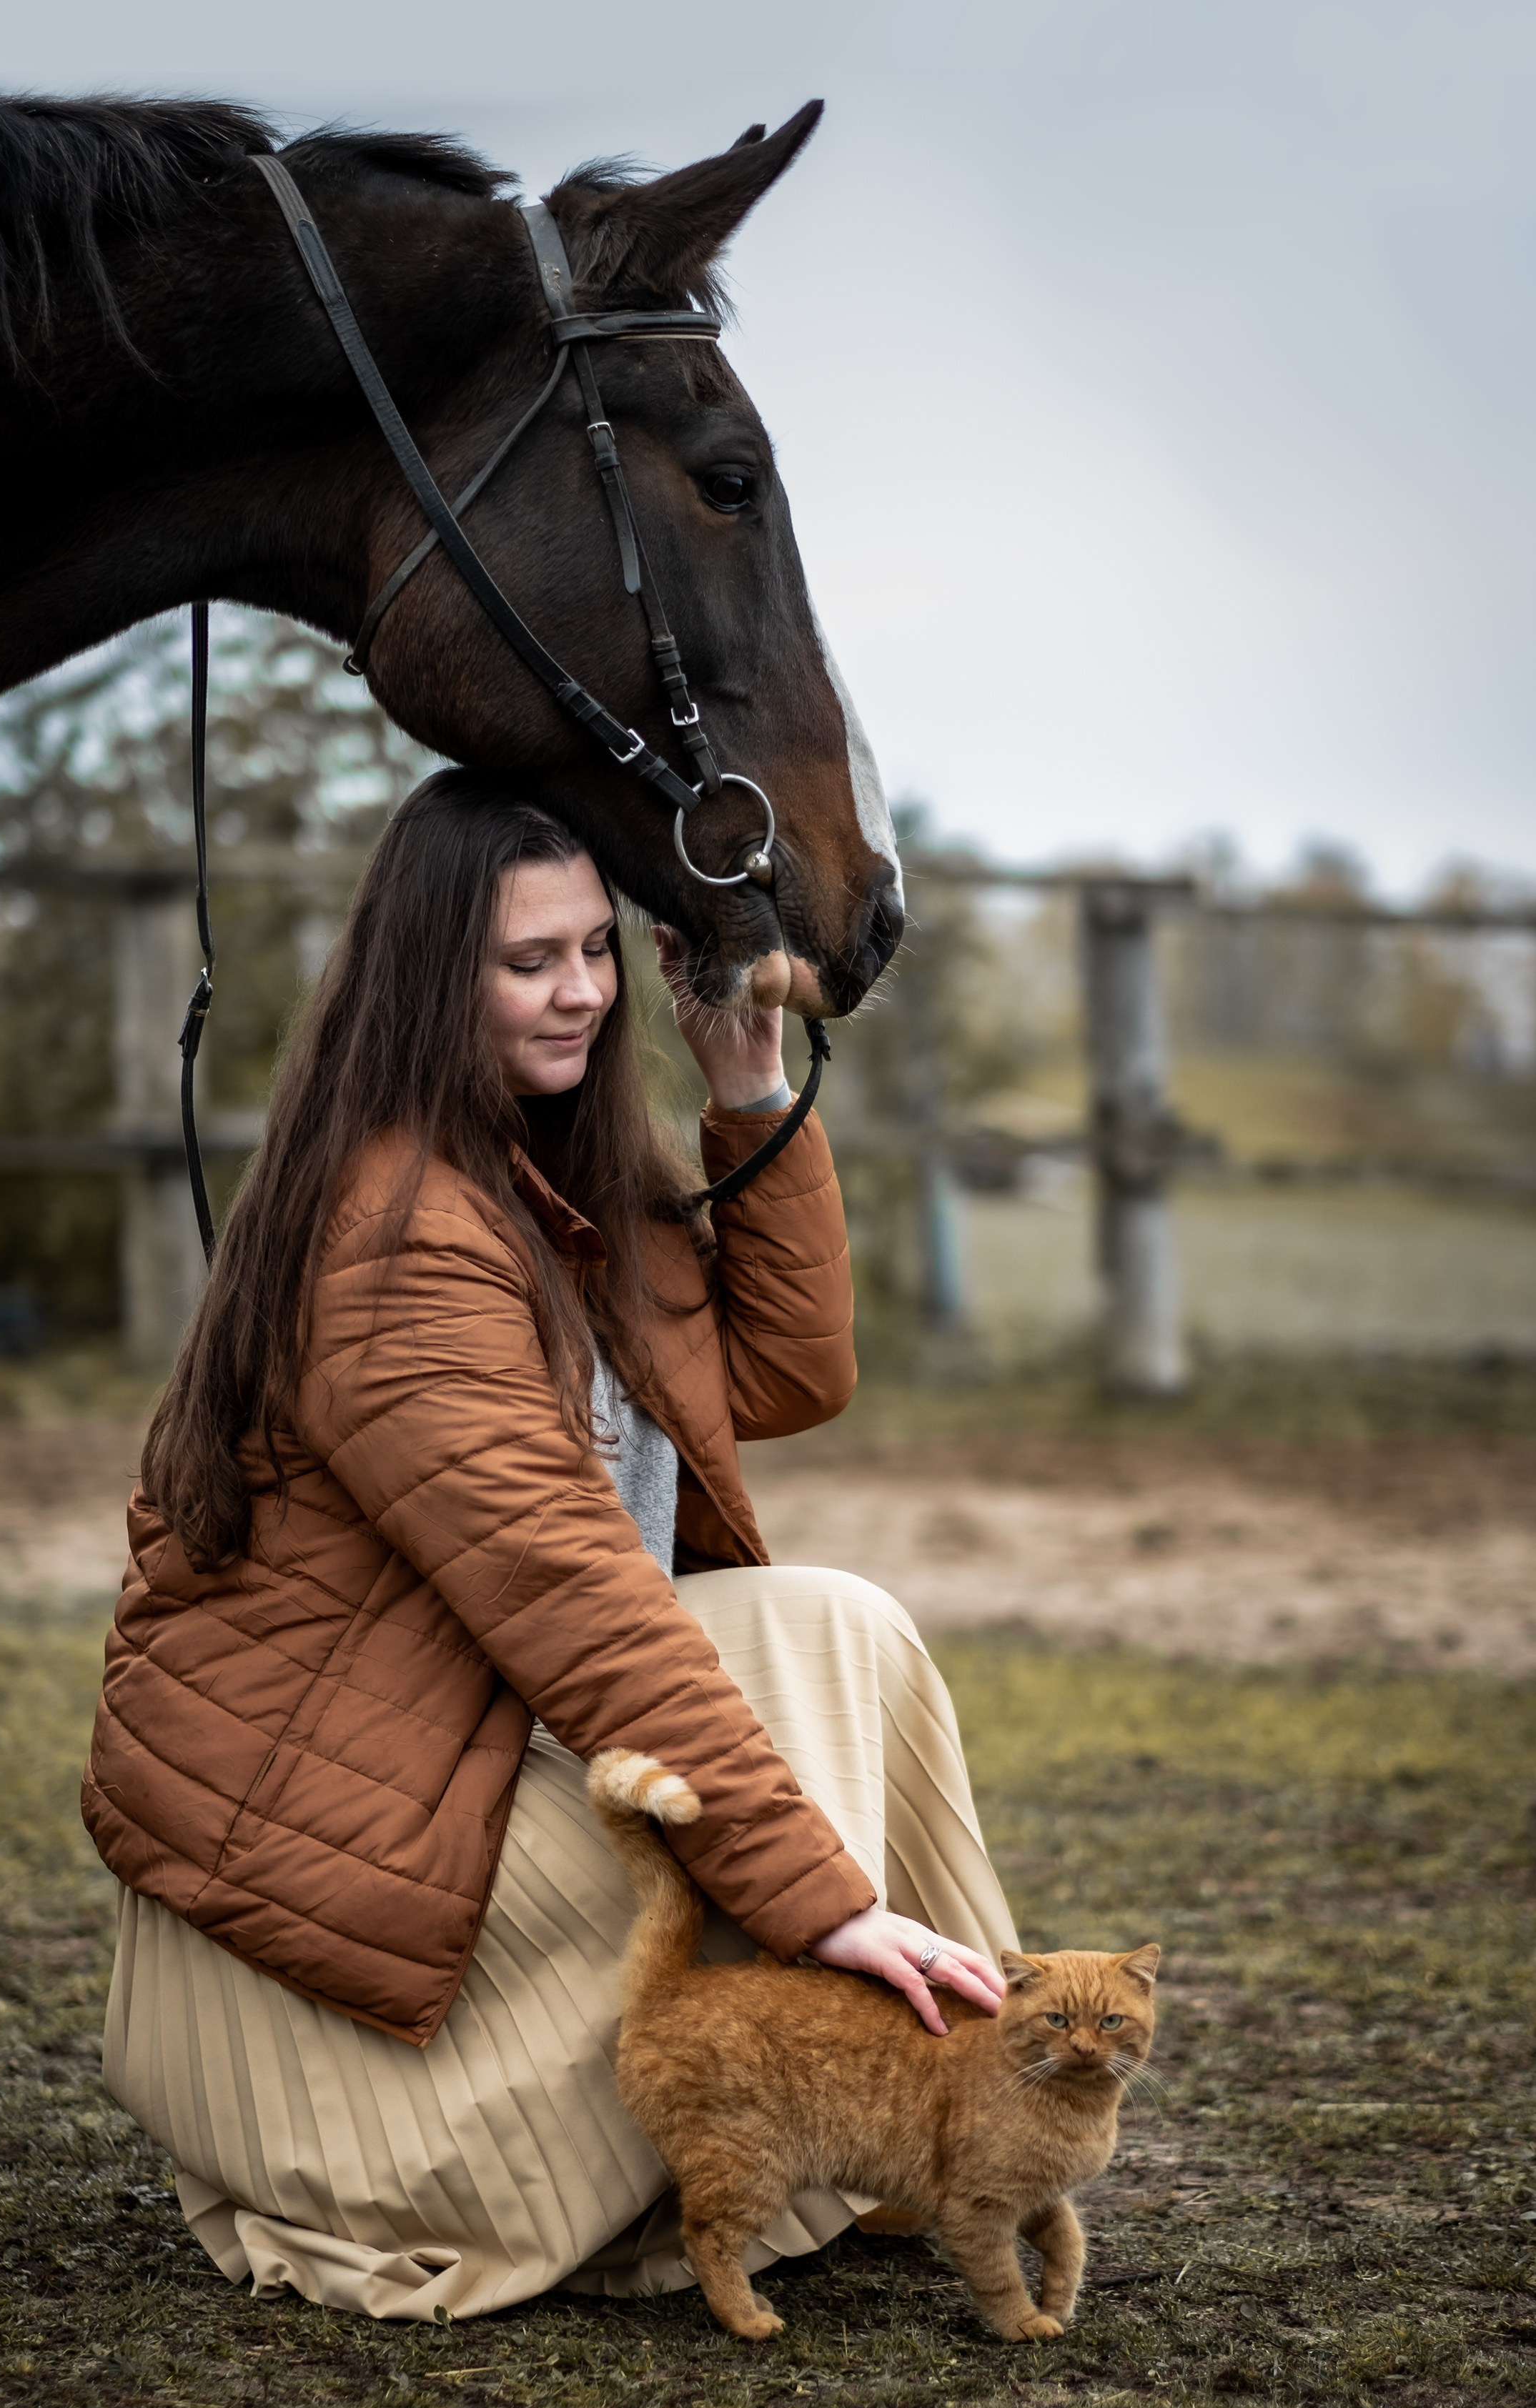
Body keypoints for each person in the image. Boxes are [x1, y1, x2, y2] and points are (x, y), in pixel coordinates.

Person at [85, 768, 1018, 2321]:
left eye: (597, 948)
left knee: (823, 1620)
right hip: (334, 1898)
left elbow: (788, 1377)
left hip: (472, 1766)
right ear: (430, 975)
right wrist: (820, 1902)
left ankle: (939, 2091)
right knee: (801, 1643)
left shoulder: (560, 1177)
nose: (581, 991)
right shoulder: (390, 1236)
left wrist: (748, 1077)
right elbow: (568, 1590)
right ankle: (886, 2083)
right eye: (532, 960)